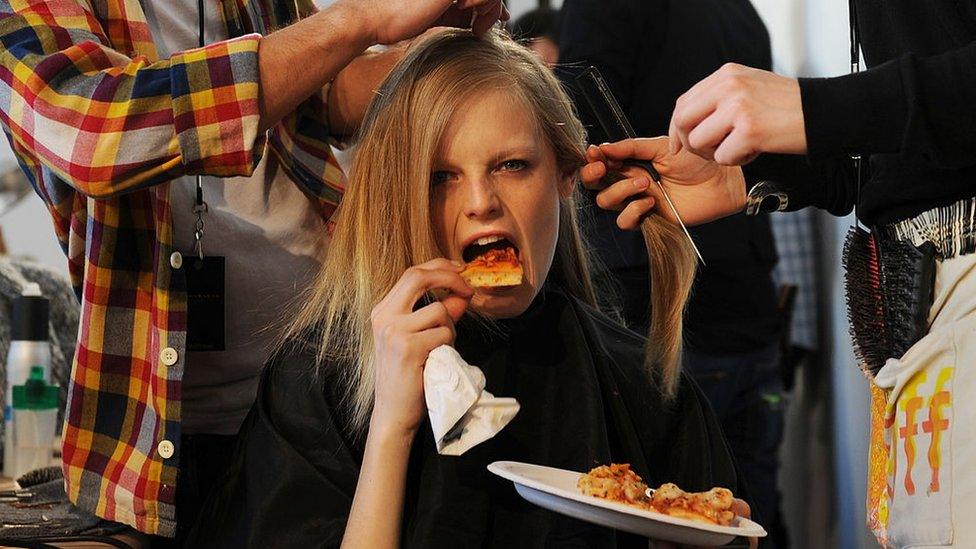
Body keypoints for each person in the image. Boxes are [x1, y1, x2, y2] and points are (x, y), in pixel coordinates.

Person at [189, 28, 748, 548]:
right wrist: (391, 427)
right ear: (396, 193)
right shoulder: (315, 381)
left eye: (511, 165)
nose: (481, 202)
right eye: (441, 177)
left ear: (564, 176)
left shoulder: (642, 384)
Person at [0, 0, 505, 540]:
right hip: (162, 447)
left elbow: (323, 97)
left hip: (326, 398)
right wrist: (360, 18)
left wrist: (433, 39)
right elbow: (94, 132)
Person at [581, 2, 976, 546]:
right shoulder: (741, 16)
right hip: (913, 329)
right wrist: (750, 174)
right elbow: (910, 161)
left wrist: (817, 110)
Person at [558, 1, 785, 543]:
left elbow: (578, 141)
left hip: (665, 312)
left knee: (670, 518)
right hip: (748, 310)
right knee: (751, 520)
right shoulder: (741, 12)